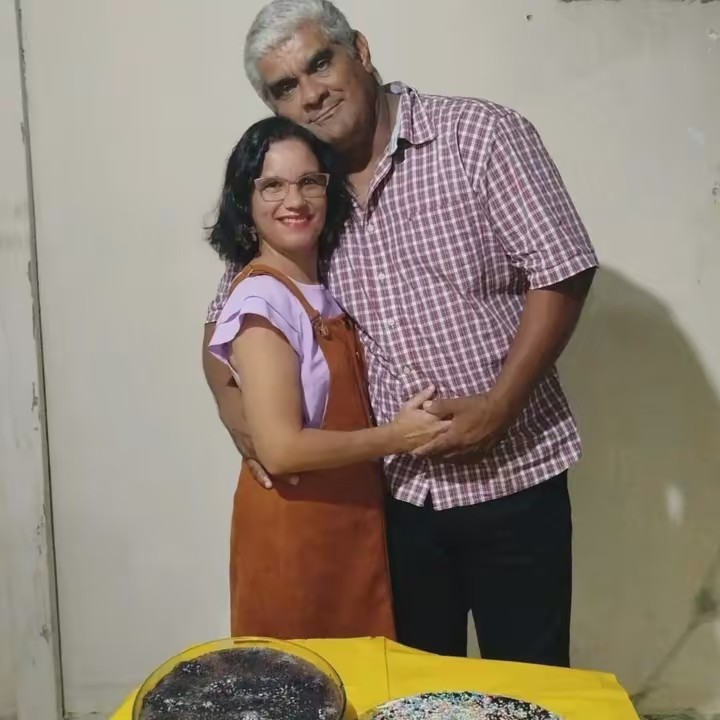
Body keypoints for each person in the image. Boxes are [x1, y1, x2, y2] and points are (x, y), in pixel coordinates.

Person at [202, 0, 599, 666]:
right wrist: (240, 420)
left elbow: (563, 271)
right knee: (410, 690)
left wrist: (499, 407)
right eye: (286, 87)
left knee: (528, 684)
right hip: (394, 502)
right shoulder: (303, 196)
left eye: (320, 63)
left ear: (359, 50)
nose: (312, 94)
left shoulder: (479, 135)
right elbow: (227, 320)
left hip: (514, 478)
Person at [205, 115, 450, 640]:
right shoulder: (261, 299)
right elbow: (281, 450)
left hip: (349, 523)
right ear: (245, 203)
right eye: (272, 186)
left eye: (308, 182)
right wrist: (398, 437)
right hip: (296, 538)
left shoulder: (320, 285)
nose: (294, 200)